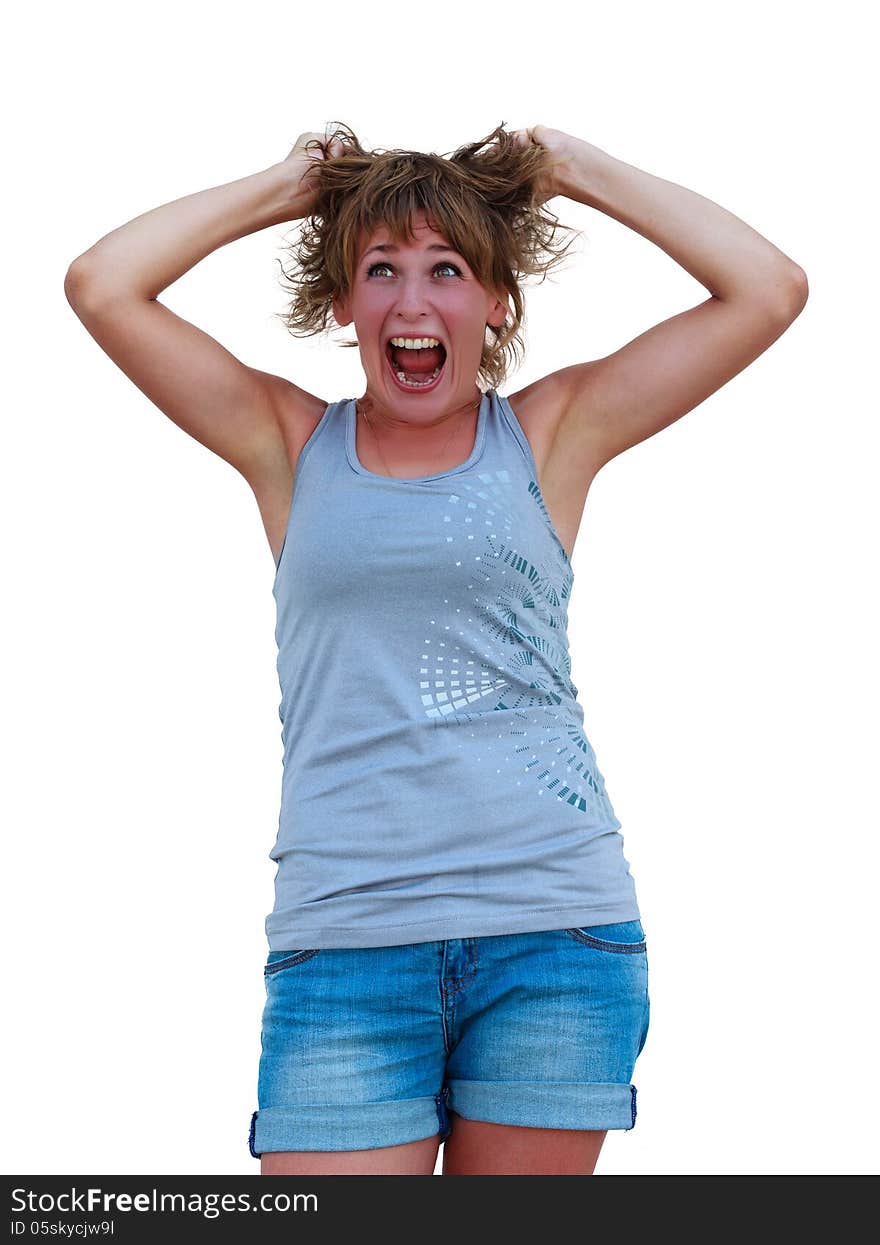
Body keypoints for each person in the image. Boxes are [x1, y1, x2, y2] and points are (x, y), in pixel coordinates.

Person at [64, 121, 808, 1176]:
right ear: (345, 306)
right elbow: (102, 285)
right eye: (381, 271)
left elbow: (767, 290)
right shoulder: (286, 444)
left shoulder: (553, 435)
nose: (413, 303)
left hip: (553, 939)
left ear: (496, 303)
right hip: (345, 950)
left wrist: (571, 170)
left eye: (447, 271)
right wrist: (291, 187)